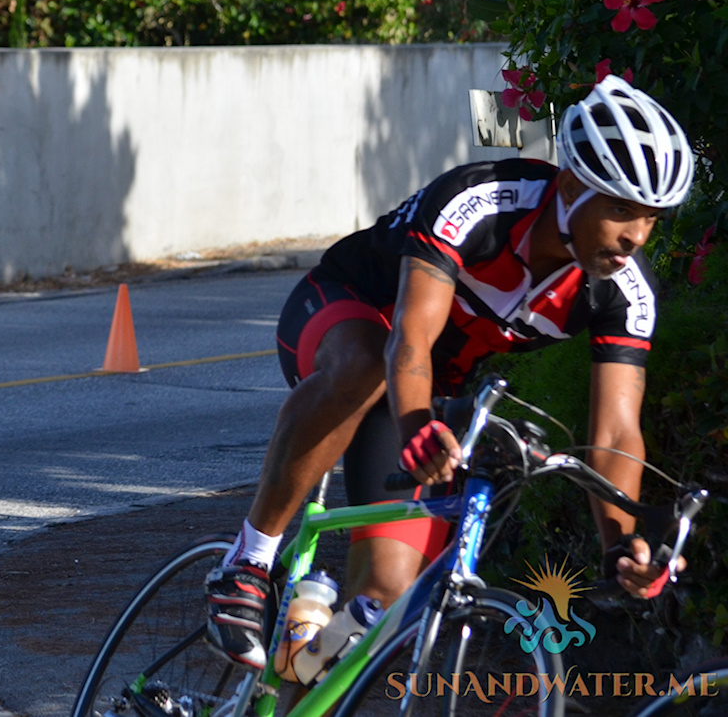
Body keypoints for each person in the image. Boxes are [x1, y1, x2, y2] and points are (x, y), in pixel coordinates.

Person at [205, 78, 694, 671]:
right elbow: (410, 338)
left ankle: (293, 686)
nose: (635, 237)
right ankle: (249, 561)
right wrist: (417, 423)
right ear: (569, 186)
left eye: (650, 218)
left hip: (422, 393)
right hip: (348, 320)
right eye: (620, 209)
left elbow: (616, 431)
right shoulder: (482, 203)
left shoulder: (624, 292)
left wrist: (622, 544)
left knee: (383, 596)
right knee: (368, 363)